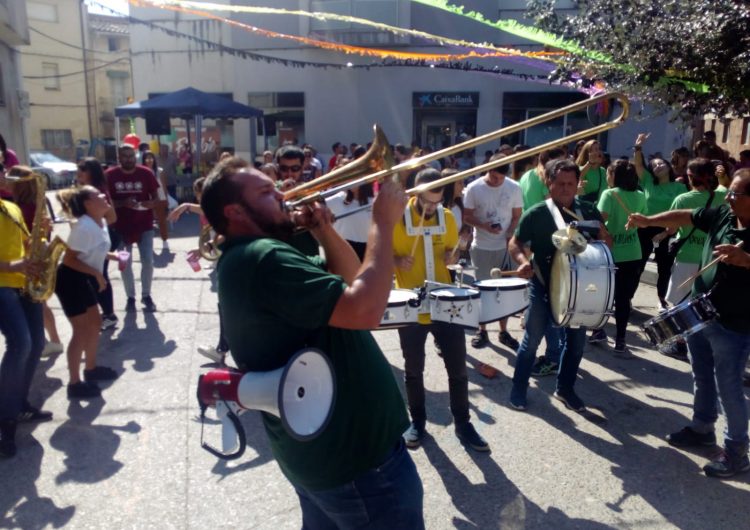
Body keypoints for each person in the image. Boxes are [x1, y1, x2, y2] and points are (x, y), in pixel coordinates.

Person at [200, 156, 424, 528]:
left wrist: (324, 231)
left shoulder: (256, 255)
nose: (284, 195)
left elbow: (351, 279)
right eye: (267, 192)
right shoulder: (264, 256)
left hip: (324, 459)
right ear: (235, 211)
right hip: (359, 464)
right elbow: (366, 308)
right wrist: (383, 222)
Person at [625, 169, 750, 479]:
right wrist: (649, 219)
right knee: (700, 374)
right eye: (730, 192)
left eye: (736, 194)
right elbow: (685, 215)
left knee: (730, 387)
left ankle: (737, 452)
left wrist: (746, 260)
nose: (729, 198)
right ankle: (702, 428)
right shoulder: (723, 214)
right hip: (701, 311)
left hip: (735, 323)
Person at [392, 167, 489, 452]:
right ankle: (418, 421)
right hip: (410, 303)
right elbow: (379, 253)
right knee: (413, 370)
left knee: (458, 369)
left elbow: (452, 256)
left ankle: (463, 422)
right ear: (415, 192)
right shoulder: (398, 216)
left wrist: (454, 254)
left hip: (444, 301)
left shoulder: (447, 217)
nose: (431, 207)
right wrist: (397, 260)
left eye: (436, 201)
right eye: (426, 201)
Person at [508, 159, 611, 411]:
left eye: (571, 184)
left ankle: (565, 389)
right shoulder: (538, 213)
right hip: (543, 284)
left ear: (578, 185)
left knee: (576, 343)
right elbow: (515, 242)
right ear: (549, 183)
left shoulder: (588, 210)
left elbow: (606, 241)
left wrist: (602, 238)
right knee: (531, 342)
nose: (566, 188)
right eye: (560, 183)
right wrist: (522, 261)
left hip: (577, 290)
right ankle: (518, 390)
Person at [0, 169, 52, 458]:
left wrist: (41, 239)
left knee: (37, 344)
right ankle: (4, 421)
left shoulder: (11, 207)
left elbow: (24, 247)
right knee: (20, 343)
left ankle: (18, 405)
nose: (4, 175)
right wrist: (15, 265)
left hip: (24, 285)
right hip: (3, 284)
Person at [55, 186, 120, 399]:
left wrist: (113, 257)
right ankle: (74, 384)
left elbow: (94, 250)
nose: (104, 196)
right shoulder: (83, 227)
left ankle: (90, 369)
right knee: (80, 331)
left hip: (83, 278)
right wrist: (97, 274)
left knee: (94, 325)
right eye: (98, 195)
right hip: (69, 280)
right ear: (87, 204)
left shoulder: (98, 222)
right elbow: (69, 259)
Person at [659, 159, 725, 359]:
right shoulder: (723, 195)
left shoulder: (683, 200)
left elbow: (670, 228)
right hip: (711, 259)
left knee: (680, 302)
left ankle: (680, 343)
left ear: (689, 177)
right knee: (708, 304)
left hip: (687, 256)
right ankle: (707, 344)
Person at [463, 154, 522, 351]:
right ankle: (482, 330)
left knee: (503, 291)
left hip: (504, 247)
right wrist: (484, 226)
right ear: (488, 169)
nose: (496, 181)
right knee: (483, 290)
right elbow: (467, 216)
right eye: (493, 176)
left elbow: (516, 216)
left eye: (500, 178)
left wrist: (511, 233)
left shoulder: (514, 187)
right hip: (482, 247)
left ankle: (503, 331)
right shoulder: (474, 188)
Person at [169, 177, 229, 364]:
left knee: (226, 306)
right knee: (225, 306)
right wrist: (185, 205)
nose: (202, 203)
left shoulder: (223, 210)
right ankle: (223, 347)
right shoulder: (216, 207)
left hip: (228, 261)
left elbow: (225, 233)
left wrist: (204, 249)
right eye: (199, 198)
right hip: (223, 260)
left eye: (204, 198)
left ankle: (223, 349)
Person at [7, 169, 65, 357]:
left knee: (39, 302)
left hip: (31, 257)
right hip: (37, 252)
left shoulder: (22, 206)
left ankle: (52, 341)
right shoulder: (33, 202)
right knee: (41, 302)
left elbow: (26, 238)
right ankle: (52, 340)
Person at [595, 160, 647, 354]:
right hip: (633, 252)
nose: (607, 177)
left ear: (614, 176)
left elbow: (600, 220)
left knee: (605, 295)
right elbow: (642, 221)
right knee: (623, 299)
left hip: (611, 253)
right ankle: (621, 340)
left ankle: (598, 330)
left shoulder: (609, 194)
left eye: (609, 174)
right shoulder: (640, 195)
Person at [632, 133, 687, 309]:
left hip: (668, 231)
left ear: (669, 166)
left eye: (661, 163)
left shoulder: (679, 187)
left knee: (664, 269)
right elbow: (639, 165)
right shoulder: (648, 182)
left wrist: (666, 232)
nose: (658, 166)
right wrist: (638, 147)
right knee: (638, 266)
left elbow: (680, 213)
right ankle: (627, 299)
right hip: (645, 230)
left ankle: (662, 300)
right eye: (654, 165)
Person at [107, 144, 160, 312]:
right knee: (125, 263)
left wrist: (151, 203)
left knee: (148, 261)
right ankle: (130, 297)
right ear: (119, 158)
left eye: (131, 156)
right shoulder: (109, 175)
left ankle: (146, 295)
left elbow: (157, 197)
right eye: (125, 156)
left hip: (144, 224)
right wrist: (123, 203)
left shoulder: (146, 173)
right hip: (120, 226)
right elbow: (105, 202)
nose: (129, 159)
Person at [76, 158, 119, 330]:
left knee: (99, 276)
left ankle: (109, 314)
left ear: (91, 172)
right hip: (94, 239)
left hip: (101, 239)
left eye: (82, 171)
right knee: (95, 276)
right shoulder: (86, 190)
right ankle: (106, 313)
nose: (79, 175)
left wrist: (92, 227)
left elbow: (112, 217)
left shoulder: (98, 192)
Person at [142, 150, 170, 252]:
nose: (149, 160)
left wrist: (166, 199)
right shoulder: (141, 171)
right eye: (147, 158)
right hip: (146, 199)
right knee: (147, 222)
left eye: (151, 158)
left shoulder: (159, 171)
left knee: (161, 220)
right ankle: (148, 243)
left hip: (160, 198)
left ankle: (165, 240)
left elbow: (164, 186)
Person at [576, 139, 607, 204]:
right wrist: (590, 163)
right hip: (585, 209)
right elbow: (578, 175)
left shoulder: (603, 171)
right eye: (596, 149)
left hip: (599, 210)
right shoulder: (581, 169)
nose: (599, 152)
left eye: (599, 149)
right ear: (588, 153)